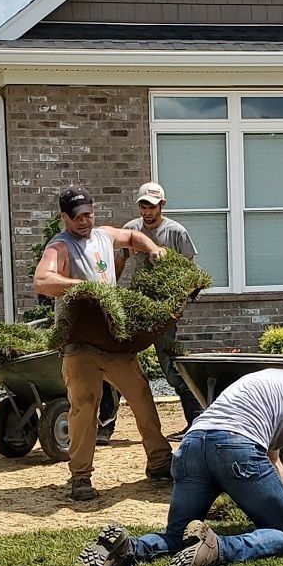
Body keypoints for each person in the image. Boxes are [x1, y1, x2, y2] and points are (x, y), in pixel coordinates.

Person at [73, 345, 283, 566]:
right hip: (235, 447)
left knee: (175, 536)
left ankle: (128, 547)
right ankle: (217, 547)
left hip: (192, 445)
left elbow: (273, 461)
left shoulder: (268, 379)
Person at [34, 184, 174, 503]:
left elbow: (133, 237)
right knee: (84, 405)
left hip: (113, 338)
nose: (85, 221)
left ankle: (159, 462)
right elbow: (43, 281)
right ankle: (80, 477)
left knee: (141, 396)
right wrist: (83, 288)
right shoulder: (60, 246)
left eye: (89, 213)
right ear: (64, 217)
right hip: (80, 341)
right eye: (77, 216)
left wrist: (152, 248)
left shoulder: (104, 235)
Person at [121, 182, 204, 427]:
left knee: (170, 367)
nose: (147, 211)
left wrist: (178, 303)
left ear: (162, 206)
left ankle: (196, 420)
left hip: (164, 308)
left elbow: (190, 271)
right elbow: (119, 261)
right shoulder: (130, 230)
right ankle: (106, 426)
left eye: (152, 206)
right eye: (143, 206)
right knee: (116, 359)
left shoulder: (176, 232)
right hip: (138, 303)